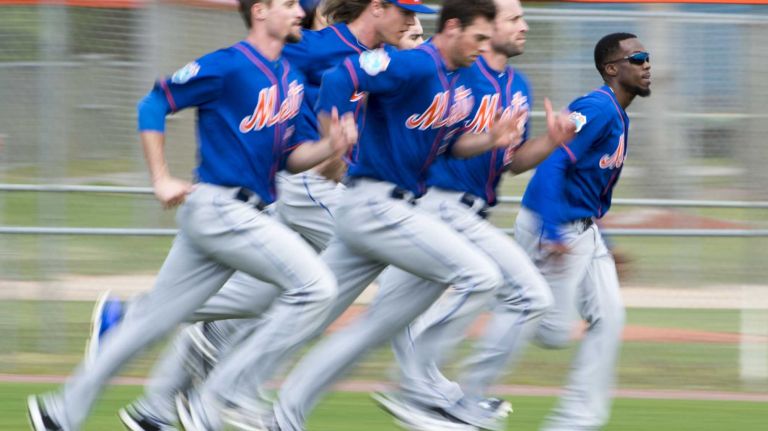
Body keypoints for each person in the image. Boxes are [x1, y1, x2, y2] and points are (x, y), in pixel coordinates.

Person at [25, 1, 359, 430]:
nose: (300, 11)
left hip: (241, 213)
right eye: (289, 4)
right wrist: (161, 178)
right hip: (221, 208)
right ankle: (225, 395)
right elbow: (153, 103)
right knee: (316, 287)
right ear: (260, 11)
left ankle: (59, 413)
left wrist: (330, 147)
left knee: (147, 325)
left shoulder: (290, 78)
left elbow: (291, 158)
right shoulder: (228, 64)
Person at [269, 1, 533, 430]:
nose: (411, 23)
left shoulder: (460, 78)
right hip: (379, 204)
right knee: (481, 277)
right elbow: (343, 75)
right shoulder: (416, 65)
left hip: (392, 206)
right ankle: (420, 391)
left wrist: (491, 139)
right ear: (455, 28)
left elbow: (453, 144)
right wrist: (331, 138)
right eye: (483, 34)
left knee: (352, 325)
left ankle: (280, 415)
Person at [375, 1, 575, 429]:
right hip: (434, 202)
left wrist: (551, 143)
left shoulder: (516, 84)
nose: (524, 26)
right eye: (514, 19)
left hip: (470, 211)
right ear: (483, 25)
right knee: (524, 293)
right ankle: (431, 393)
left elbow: (513, 161)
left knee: (382, 312)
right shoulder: (454, 71)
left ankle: (437, 394)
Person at [515, 32, 651, 430]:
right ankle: (497, 284)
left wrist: (605, 243)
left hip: (583, 230)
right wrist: (554, 231)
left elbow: (586, 191)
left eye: (647, 58)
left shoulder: (618, 114)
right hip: (551, 225)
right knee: (554, 333)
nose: (646, 65)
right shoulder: (598, 107)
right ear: (613, 68)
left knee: (609, 318)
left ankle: (575, 422)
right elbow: (553, 164)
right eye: (637, 58)